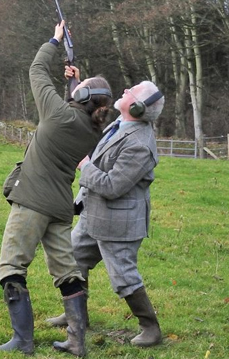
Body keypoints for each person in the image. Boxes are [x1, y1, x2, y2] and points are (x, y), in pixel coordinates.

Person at [0, 21, 113, 357]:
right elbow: (76, 111)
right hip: (60, 207)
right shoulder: (92, 129)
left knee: (10, 268)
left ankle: (23, 341)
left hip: (32, 202)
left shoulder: (59, 115)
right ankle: (77, 342)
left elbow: (36, 69)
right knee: (67, 274)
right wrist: (75, 84)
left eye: (82, 85)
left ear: (83, 97)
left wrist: (54, 40)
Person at [46, 80, 165, 349]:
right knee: (74, 259)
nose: (125, 91)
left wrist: (85, 166)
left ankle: (150, 328)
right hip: (94, 212)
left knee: (123, 276)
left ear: (137, 106)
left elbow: (113, 186)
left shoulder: (139, 145)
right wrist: (75, 81)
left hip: (118, 221)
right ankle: (77, 315)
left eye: (131, 92)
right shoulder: (122, 124)